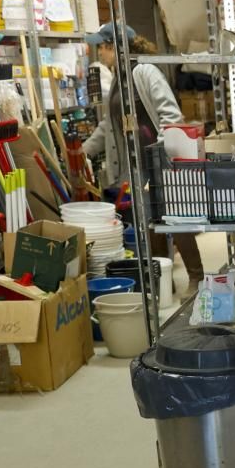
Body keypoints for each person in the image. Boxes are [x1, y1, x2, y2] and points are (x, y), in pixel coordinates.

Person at [81, 22, 204, 292]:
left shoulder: (144, 72)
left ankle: (196, 277)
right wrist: (85, 150)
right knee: (150, 224)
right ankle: (163, 281)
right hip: (137, 165)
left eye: (102, 48)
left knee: (176, 218)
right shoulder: (118, 78)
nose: (99, 54)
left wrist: (159, 152)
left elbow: (171, 116)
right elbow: (108, 125)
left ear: (114, 47)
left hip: (160, 160)